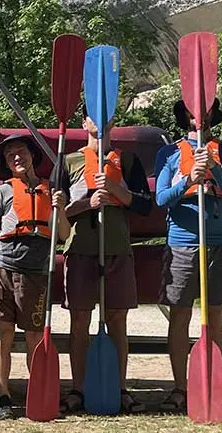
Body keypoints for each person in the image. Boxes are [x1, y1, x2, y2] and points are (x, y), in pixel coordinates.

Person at [58, 105, 153, 415]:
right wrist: (87, 203)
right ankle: (78, 389)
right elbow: (53, 211)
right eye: (93, 117)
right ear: (84, 121)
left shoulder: (127, 161)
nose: (99, 122)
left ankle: (120, 388)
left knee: (117, 322)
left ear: (113, 120)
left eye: (106, 116)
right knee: (80, 322)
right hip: (80, 250)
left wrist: (113, 189)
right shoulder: (68, 161)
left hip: (117, 250)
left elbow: (143, 206)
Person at [154, 98, 222, 413]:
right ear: (186, 116)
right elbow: (161, 197)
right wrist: (190, 179)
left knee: (215, 315)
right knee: (180, 315)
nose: (199, 117)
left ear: (211, 115)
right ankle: (180, 387)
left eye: (204, 112)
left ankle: (212, 383)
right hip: (181, 243)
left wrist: (214, 169)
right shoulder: (169, 154)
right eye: (193, 112)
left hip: (216, 243)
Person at [0, 135, 71, 419]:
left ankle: (39, 392)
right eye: (10, 156)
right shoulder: (1, 193)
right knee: (4, 333)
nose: (16, 158)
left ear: (32, 156)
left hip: (37, 272)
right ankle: (3, 397)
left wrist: (60, 208)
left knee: (34, 335)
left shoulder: (52, 190)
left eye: (21, 152)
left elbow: (65, 235)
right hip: (5, 270)